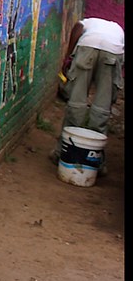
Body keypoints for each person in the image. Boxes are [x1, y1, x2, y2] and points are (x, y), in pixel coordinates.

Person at [51, 17, 124, 169]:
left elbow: (77, 27)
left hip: (87, 47)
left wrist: (67, 56)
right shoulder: (117, 30)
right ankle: (97, 161)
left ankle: (62, 152)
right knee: (102, 107)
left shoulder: (88, 22)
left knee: (76, 102)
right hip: (113, 51)